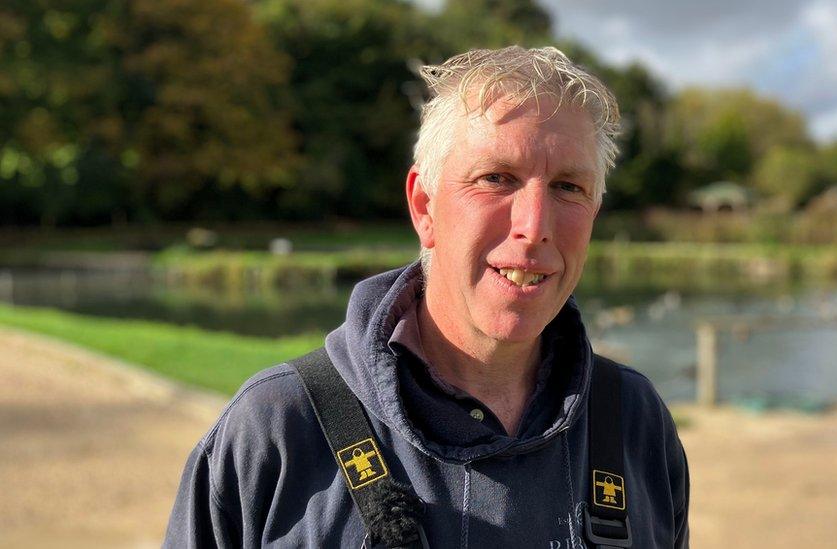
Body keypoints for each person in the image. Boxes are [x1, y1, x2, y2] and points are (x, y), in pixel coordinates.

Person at [164, 45, 689, 548]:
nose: (535, 227)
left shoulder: (634, 423)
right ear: (424, 207)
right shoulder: (273, 430)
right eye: (497, 178)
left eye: (569, 187)